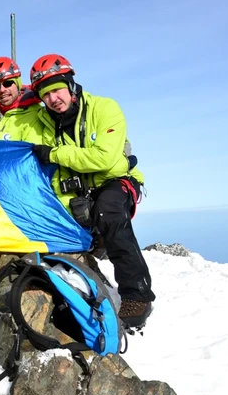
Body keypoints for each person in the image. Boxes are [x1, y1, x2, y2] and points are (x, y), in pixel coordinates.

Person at [28, 53, 154, 328]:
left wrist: (57, 154)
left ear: (71, 85)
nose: (53, 99)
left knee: (109, 213)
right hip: (78, 193)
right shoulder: (46, 123)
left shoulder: (105, 109)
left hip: (115, 181)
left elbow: (105, 160)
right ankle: (95, 243)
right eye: (45, 95)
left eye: (57, 89)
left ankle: (138, 295)